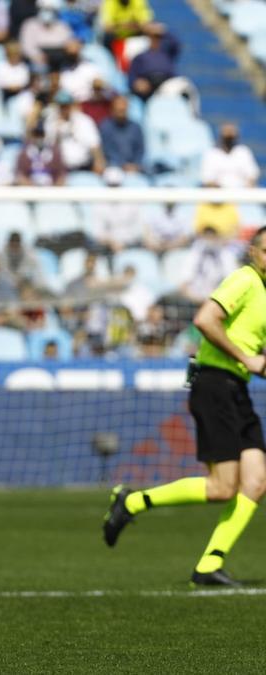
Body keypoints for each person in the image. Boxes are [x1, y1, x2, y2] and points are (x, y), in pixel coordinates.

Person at [104, 227, 266, 586]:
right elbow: (205, 319)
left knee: (255, 481)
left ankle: (209, 565)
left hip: (236, 388)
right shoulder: (244, 279)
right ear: (252, 252)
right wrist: (247, 359)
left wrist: (254, 362)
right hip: (214, 386)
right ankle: (131, 502)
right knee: (223, 488)